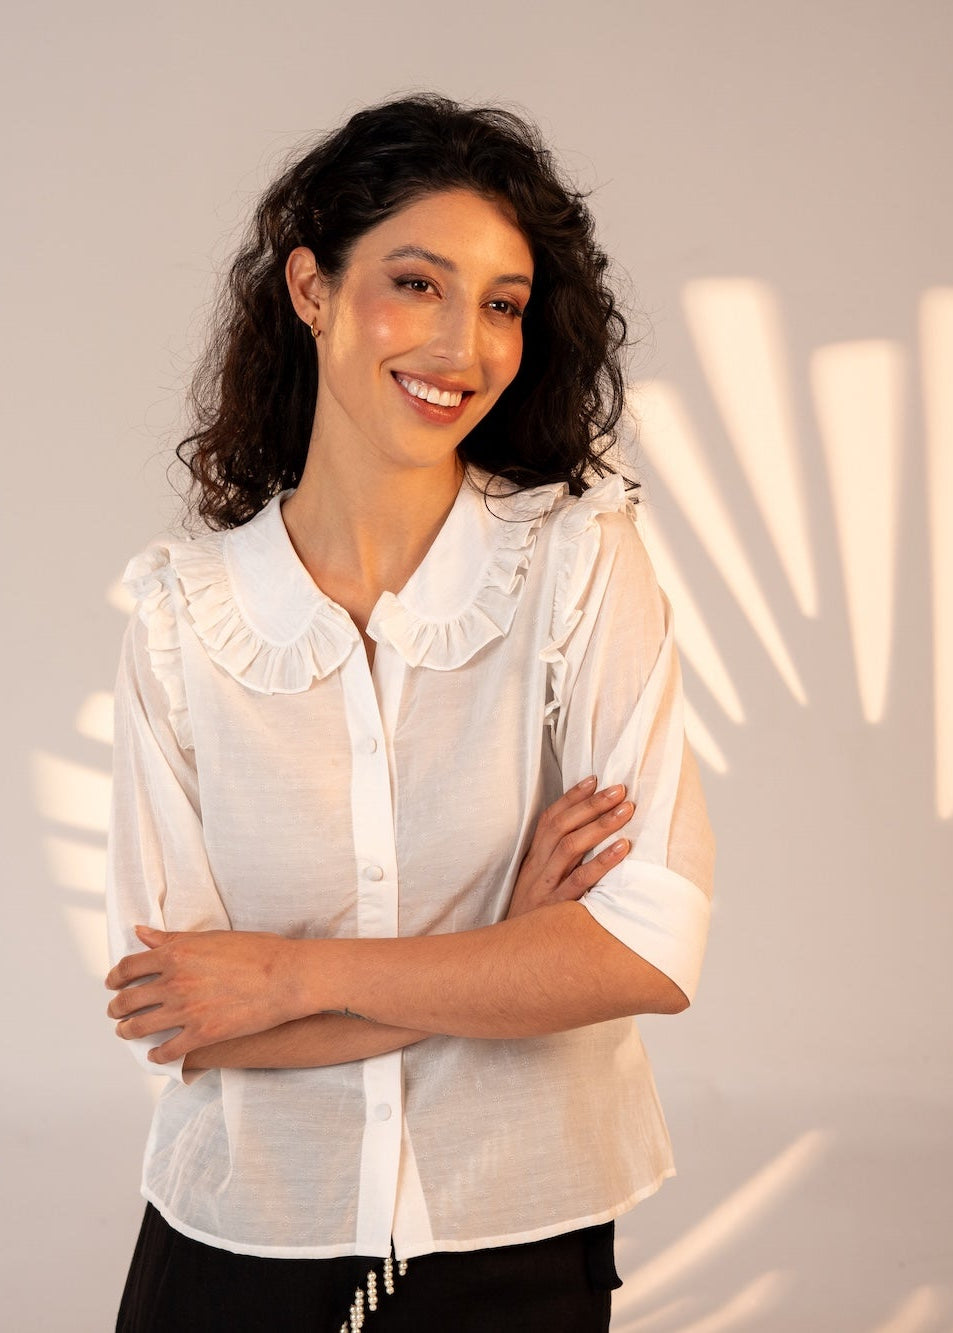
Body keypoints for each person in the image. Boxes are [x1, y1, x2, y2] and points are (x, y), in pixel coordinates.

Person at [104, 92, 715, 1332]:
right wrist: (509, 951)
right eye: (417, 283)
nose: (464, 345)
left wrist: (283, 976)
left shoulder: (579, 558)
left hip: (521, 1240)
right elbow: (181, 1022)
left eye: (500, 302)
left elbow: (645, 950)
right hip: (235, 1248)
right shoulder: (180, 615)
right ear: (310, 289)